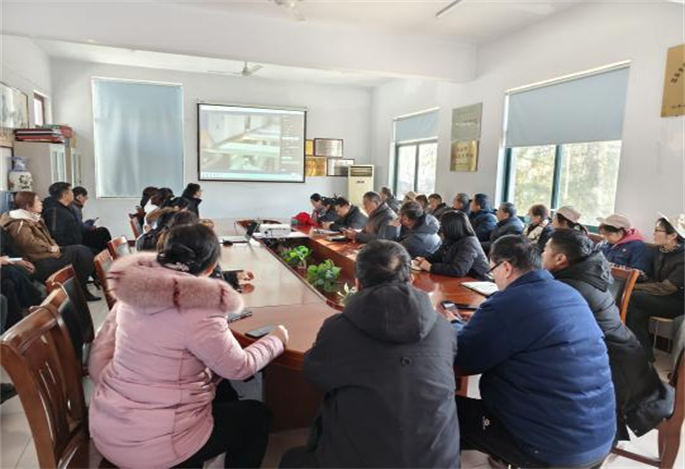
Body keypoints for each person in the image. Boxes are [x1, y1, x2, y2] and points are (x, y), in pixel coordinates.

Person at [88, 224, 289, 468]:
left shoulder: (133, 290)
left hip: (108, 425)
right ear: (211, 268)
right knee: (256, 416)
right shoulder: (201, 307)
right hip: (156, 443)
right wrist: (277, 338)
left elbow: (101, 358)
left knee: (221, 388)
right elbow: (239, 368)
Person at [279, 240, 459, 468]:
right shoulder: (443, 327)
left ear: (357, 283)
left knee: (291, 459)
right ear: (411, 279)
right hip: (438, 464)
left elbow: (315, 375)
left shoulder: (338, 328)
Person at [450, 235, 616, 468]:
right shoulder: (569, 293)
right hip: (598, 437)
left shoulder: (509, 302)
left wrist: (454, 325)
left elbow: (464, 360)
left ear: (506, 268)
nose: (493, 278)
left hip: (551, 449)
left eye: (492, 271)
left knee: (439, 409)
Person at [543, 229, 674, 439]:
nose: (541, 254)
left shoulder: (570, 288)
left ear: (560, 258)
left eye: (545, 250)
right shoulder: (586, 273)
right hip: (628, 359)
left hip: (615, 373)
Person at [0, 191, 99, 301]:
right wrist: (50, 248)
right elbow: (29, 244)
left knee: (85, 251)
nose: (41, 203)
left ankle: (80, 288)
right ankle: (80, 290)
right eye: (37, 201)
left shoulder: (34, 218)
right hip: (38, 260)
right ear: (28, 206)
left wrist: (54, 246)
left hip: (47, 253)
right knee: (81, 253)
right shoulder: (18, 223)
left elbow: (49, 237)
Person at [626, 214, 685, 359]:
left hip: (678, 302)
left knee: (631, 297)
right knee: (635, 312)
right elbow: (653, 278)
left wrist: (632, 287)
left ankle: (640, 355)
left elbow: (667, 288)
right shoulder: (660, 250)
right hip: (660, 297)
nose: (653, 233)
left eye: (657, 230)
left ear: (672, 236)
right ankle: (643, 358)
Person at [416, 211, 489, 279]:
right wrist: (424, 260)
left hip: (476, 281)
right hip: (459, 280)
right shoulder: (450, 239)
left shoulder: (469, 242)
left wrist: (431, 267)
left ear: (451, 227)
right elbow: (438, 256)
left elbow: (459, 270)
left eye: (443, 226)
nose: (441, 229)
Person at [71, 186, 112, 253]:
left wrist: (87, 224)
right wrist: (89, 226)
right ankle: (108, 254)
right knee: (102, 232)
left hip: (77, 236)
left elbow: (78, 225)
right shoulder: (75, 208)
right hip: (78, 239)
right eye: (85, 197)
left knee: (101, 231)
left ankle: (106, 253)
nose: (86, 200)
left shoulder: (74, 207)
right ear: (79, 197)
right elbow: (81, 228)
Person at [42, 182, 83, 247]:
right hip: (68, 248)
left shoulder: (66, 208)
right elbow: (56, 235)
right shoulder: (55, 211)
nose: (73, 194)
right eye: (71, 191)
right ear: (64, 195)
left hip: (75, 245)